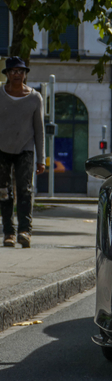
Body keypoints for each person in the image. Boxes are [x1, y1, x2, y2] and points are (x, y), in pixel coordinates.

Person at [0, 57, 45, 248]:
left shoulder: (35, 98)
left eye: (21, 71)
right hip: (1, 149)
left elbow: (39, 130)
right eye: (13, 71)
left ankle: (25, 231)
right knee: (4, 192)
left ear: (25, 74)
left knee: (25, 191)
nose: (17, 74)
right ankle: (8, 233)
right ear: (7, 74)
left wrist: (41, 159)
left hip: (25, 149)